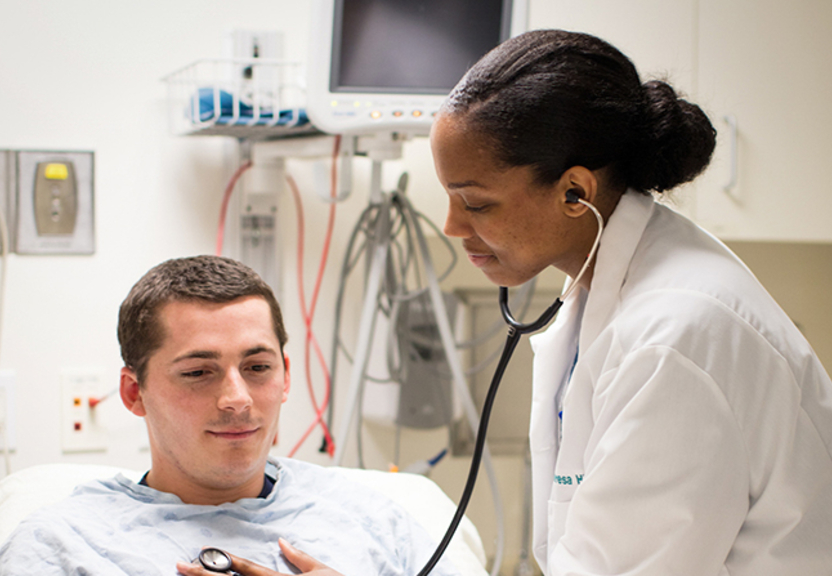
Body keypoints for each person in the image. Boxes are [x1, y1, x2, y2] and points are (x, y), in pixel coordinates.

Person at [429, 29, 832, 576]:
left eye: (474, 202)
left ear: (576, 191)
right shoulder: (614, 291)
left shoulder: (674, 338)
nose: (452, 226)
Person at [0, 256, 460, 576]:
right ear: (133, 392)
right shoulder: (67, 545)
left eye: (258, 367)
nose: (237, 399)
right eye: (199, 372)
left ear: (285, 377)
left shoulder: (372, 521)